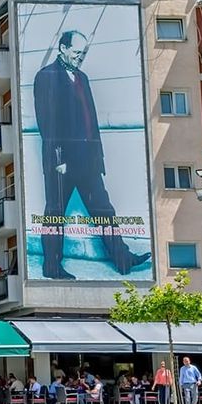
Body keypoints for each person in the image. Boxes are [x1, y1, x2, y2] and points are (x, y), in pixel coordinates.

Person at [32, 29, 151, 279]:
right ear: (63, 49)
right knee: (55, 213)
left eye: (82, 53)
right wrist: (58, 160)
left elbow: (90, 119)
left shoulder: (82, 78)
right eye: (76, 52)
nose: (79, 57)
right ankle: (52, 266)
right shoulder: (46, 77)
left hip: (88, 160)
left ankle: (123, 259)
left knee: (104, 210)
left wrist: (99, 157)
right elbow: (47, 122)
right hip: (62, 162)